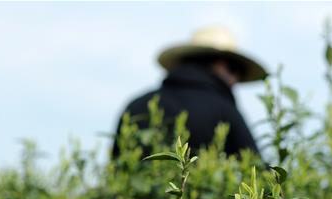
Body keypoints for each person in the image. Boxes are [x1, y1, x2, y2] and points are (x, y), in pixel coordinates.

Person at [113, 26, 267, 159]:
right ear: (218, 64)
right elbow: (256, 167)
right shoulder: (225, 111)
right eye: (234, 68)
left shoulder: (136, 105)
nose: (235, 79)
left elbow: (116, 168)